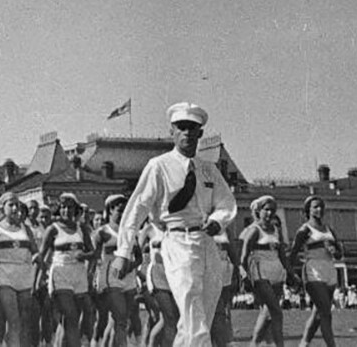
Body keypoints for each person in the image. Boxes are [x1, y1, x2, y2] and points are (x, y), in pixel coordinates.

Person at [110, 102, 237, 347]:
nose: (187, 132)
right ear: (172, 131)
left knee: (202, 316)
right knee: (192, 313)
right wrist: (123, 252)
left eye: (193, 128)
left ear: (200, 133)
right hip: (178, 242)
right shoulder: (159, 166)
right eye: (182, 127)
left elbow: (227, 204)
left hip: (206, 242)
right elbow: (136, 209)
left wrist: (217, 221)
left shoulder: (208, 170)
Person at [35, 192, 93, 347]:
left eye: (69, 207)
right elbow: (42, 255)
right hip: (60, 274)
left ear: (76, 210)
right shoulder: (52, 229)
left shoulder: (82, 229)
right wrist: (38, 279)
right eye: (63, 207)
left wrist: (85, 256)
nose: (66, 211)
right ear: (59, 210)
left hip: (79, 275)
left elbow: (93, 253)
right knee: (71, 316)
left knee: (68, 322)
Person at [0, 192, 36, 347]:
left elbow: (35, 251)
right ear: (3, 207)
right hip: (4, 276)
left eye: (16, 205)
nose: (14, 208)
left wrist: (39, 260)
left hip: (24, 276)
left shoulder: (26, 229)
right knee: (13, 319)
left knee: (25, 320)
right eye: (10, 205)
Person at [288, 195, 342, 347]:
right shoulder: (304, 230)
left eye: (321, 206)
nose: (319, 209)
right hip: (313, 270)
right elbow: (293, 253)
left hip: (330, 270)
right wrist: (290, 275)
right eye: (315, 207)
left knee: (318, 312)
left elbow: (339, 254)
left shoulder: (329, 229)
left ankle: (304, 344)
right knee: (326, 312)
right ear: (308, 210)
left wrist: (334, 249)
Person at [240, 195, 293, 347]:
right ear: (259, 211)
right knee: (276, 311)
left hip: (277, 272)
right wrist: (244, 276)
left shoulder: (276, 230)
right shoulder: (253, 231)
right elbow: (243, 257)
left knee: (267, 313)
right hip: (260, 273)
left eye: (273, 210)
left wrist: (291, 274)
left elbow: (282, 256)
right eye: (267, 210)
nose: (270, 213)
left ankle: (254, 344)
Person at [94, 194, 141, 347]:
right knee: (120, 318)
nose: (122, 214)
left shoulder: (131, 232)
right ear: (111, 210)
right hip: (111, 278)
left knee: (121, 320)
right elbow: (94, 258)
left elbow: (139, 258)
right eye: (119, 211)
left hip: (129, 279)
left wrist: (130, 267)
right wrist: (94, 282)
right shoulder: (102, 232)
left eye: (125, 211)